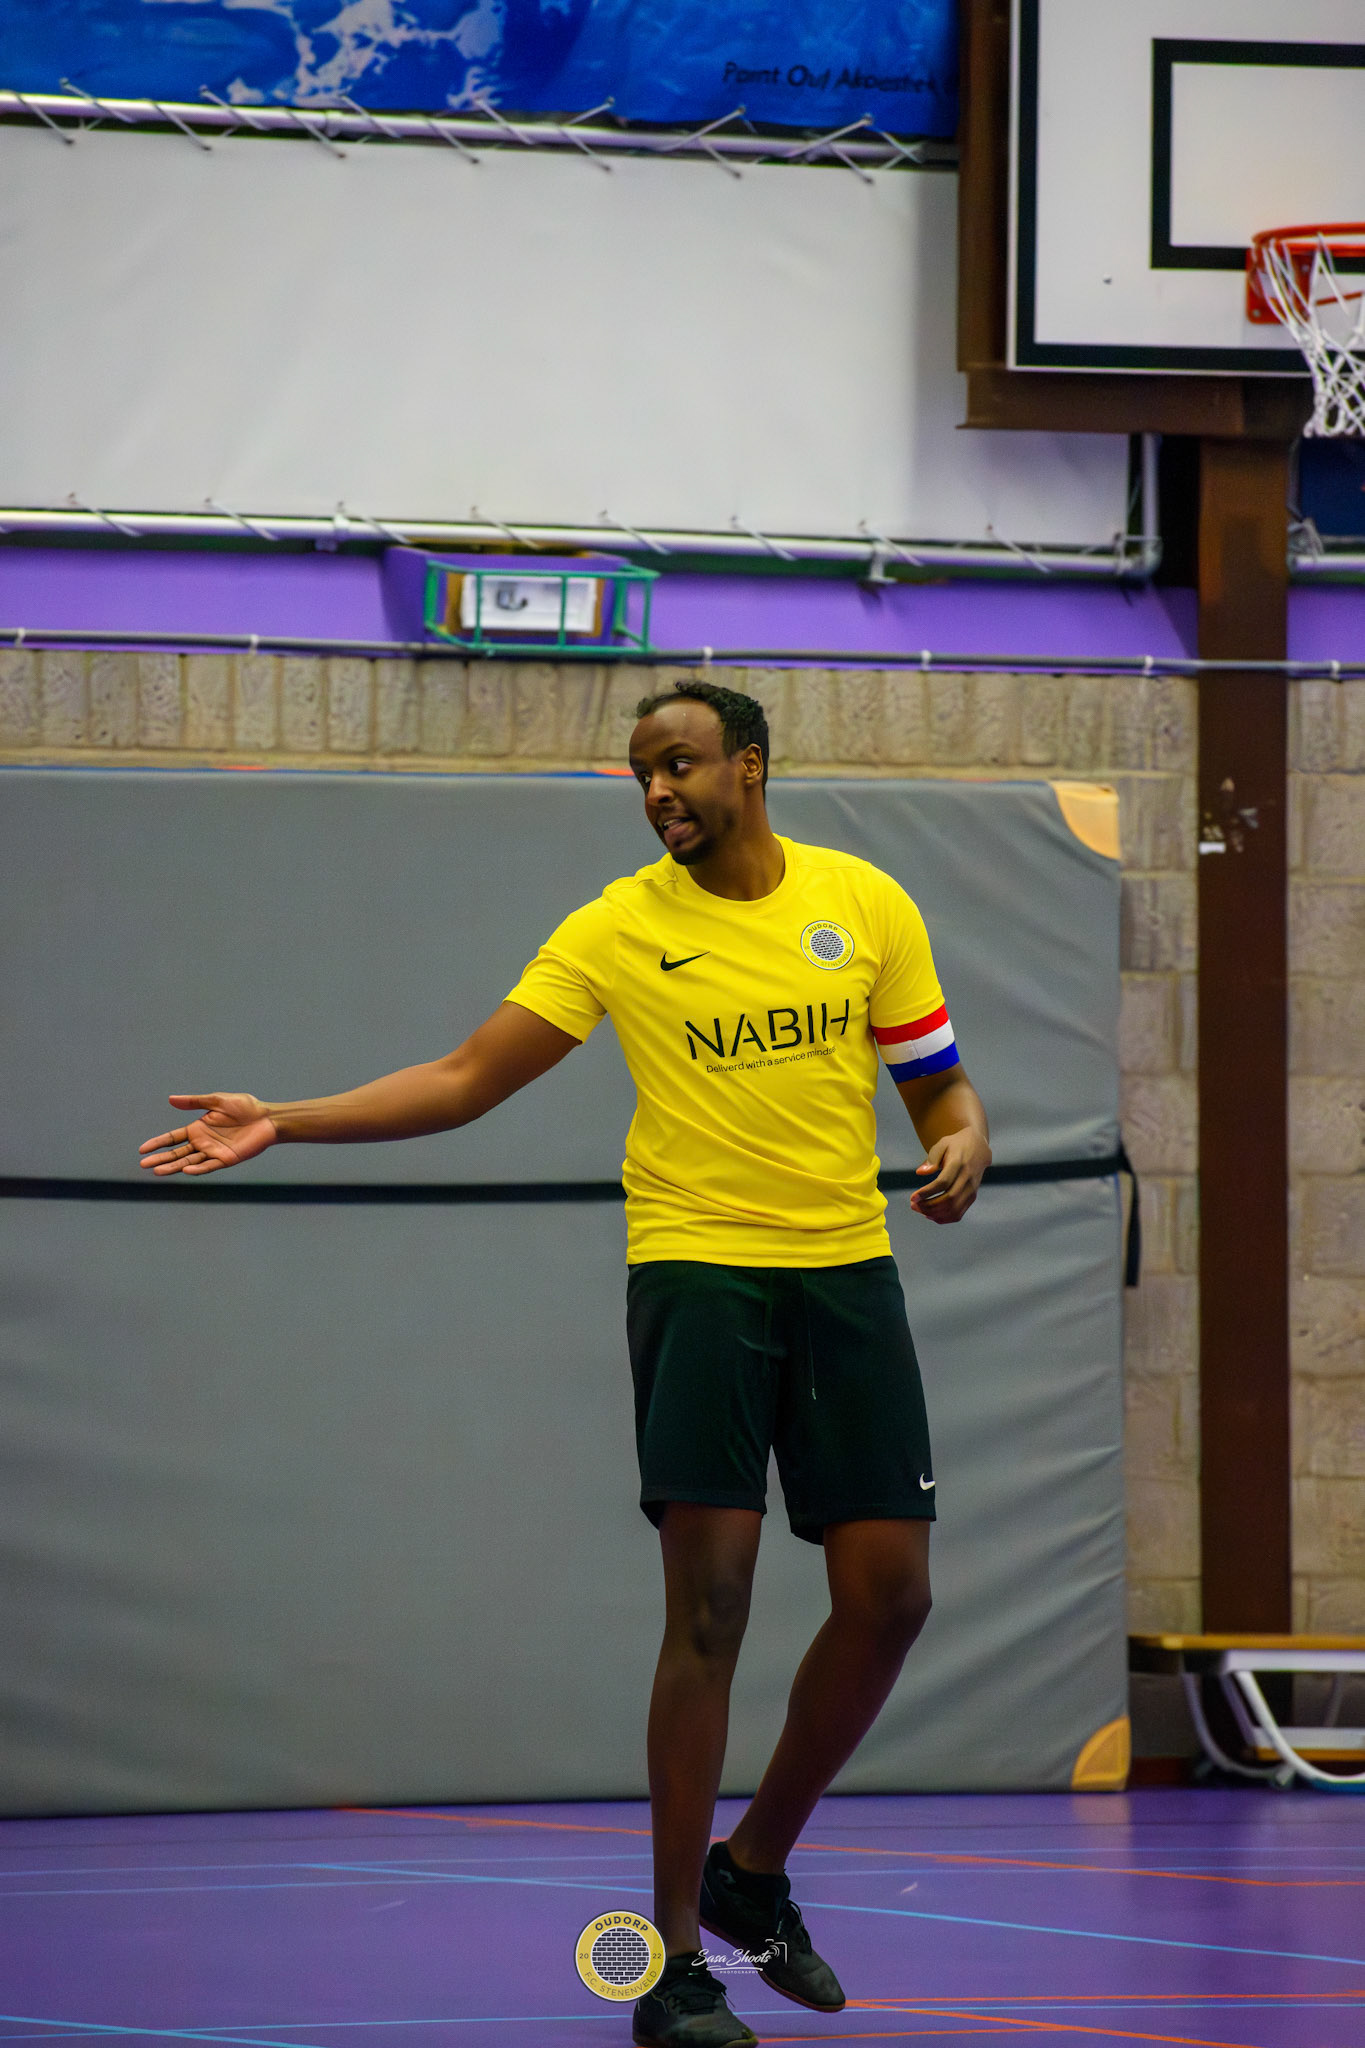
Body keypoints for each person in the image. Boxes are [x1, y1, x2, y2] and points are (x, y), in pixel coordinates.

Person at [139, 680, 991, 2048]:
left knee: (891, 1598)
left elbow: (935, 1080)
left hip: (846, 1274)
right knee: (709, 1609)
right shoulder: (615, 927)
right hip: (699, 1275)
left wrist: (963, 1134)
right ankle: (672, 1966)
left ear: (749, 767)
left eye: (680, 763)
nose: (657, 790)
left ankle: (754, 1870)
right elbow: (466, 1076)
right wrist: (284, 1119)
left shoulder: (865, 904)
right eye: (642, 770)